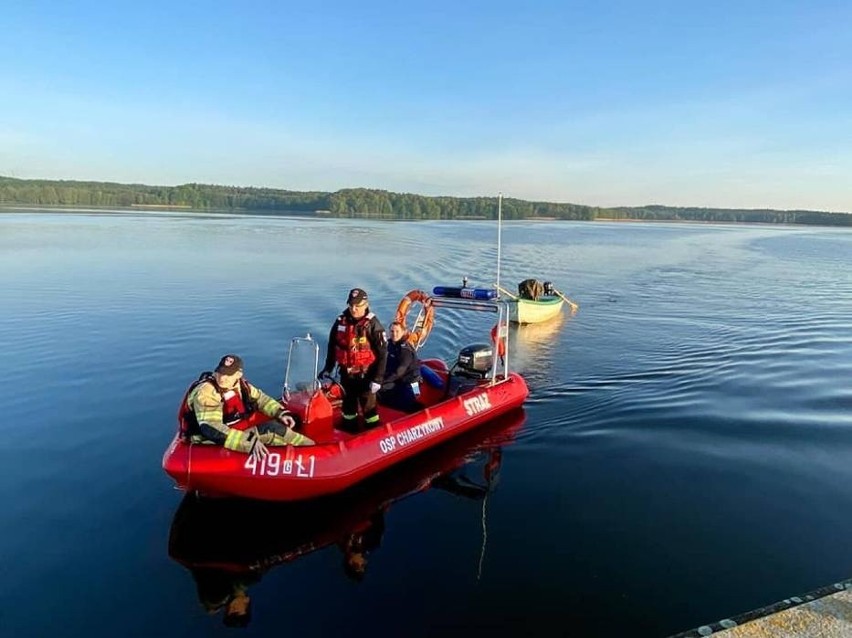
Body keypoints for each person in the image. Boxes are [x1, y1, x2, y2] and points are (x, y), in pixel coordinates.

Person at [184, 354, 314, 460]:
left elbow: (261, 400)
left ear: (238, 375)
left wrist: (281, 413)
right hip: (210, 441)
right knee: (274, 429)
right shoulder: (207, 392)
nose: (222, 378)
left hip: (234, 430)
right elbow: (211, 428)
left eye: (227, 374)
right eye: (220, 372)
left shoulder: (240, 385)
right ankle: (313, 453)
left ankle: (306, 450)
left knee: (283, 421)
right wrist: (248, 442)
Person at [319, 288, 388, 431]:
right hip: (346, 374)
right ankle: (349, 432)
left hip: (367, 375)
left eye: (357, 306)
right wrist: (328, 368)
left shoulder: (373, 325)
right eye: (351, 305)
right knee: (348, 409)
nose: (354, 309)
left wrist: (378, 379)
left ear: (365, 305)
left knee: (369, 411)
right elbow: (332, 346)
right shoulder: (340, 322)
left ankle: (373, 434)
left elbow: (382, 353)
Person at [378, 321, 423, 413]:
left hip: (412, 382)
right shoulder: (389, 344)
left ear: (403, 332)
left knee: (409, 401)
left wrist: (383, 381)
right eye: (392, 331)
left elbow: (400, 371)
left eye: (397, 331)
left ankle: (417, 409)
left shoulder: (405, 349)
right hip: (399, 380)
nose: (394, 334)